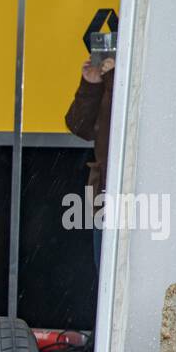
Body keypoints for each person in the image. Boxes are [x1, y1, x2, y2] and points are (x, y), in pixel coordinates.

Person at [65, 53, 115, 267]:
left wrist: (114, 78)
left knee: (129, 272)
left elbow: (126, 123)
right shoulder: (107, 81)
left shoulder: (143, 76)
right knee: (103, 272)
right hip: (103, 192)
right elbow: (80, 126)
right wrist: (91, 84)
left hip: (139, 193)